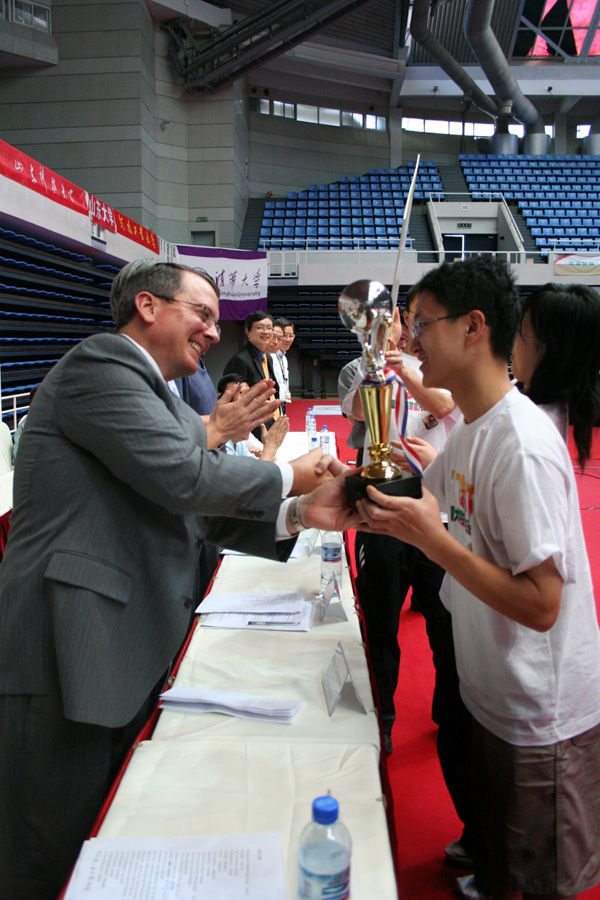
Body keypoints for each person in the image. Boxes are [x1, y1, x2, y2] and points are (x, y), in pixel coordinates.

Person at [0, 259, 362, 900]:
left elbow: (189, 510)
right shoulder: (102, 367)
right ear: (147, 306)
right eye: (201, 313)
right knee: (46, 845)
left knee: (98, 830)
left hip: (119, 642)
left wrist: (299, 514)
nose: (212, 331)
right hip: (67, 648)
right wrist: (291, 477)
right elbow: (186, 480)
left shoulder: (155, 392)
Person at [358, 255, 600, 900]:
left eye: (420, 324)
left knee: (543, 875)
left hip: (538, 704)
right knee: (500, 847)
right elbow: (426, 504)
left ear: (473, 328)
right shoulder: (471, 429)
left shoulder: (520, 444)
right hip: (490, 683)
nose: (408, 342)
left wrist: (434, 542)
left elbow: (543, 603)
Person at [223, 310, 279, 436]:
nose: (265, 332)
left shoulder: (267, 358)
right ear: (248, 332)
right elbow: (234, 401)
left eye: (269, 328)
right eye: (260, 328)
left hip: (271, 421)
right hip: (254, 428)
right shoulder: (240, 360)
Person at [216, 373, 289, 460]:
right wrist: (270, 448)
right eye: (240, 393)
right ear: (220, 398)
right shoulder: (219, 443)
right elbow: (256, 472)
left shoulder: (239, 439)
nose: (245, 399)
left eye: (247, 393)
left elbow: (265, 463)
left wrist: (267, 453)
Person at [270, 320, 288, 414]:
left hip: (281, 401)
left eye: (280, 338)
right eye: (273, 337)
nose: (275, 342)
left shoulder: (283, 358)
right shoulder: (269, 357)